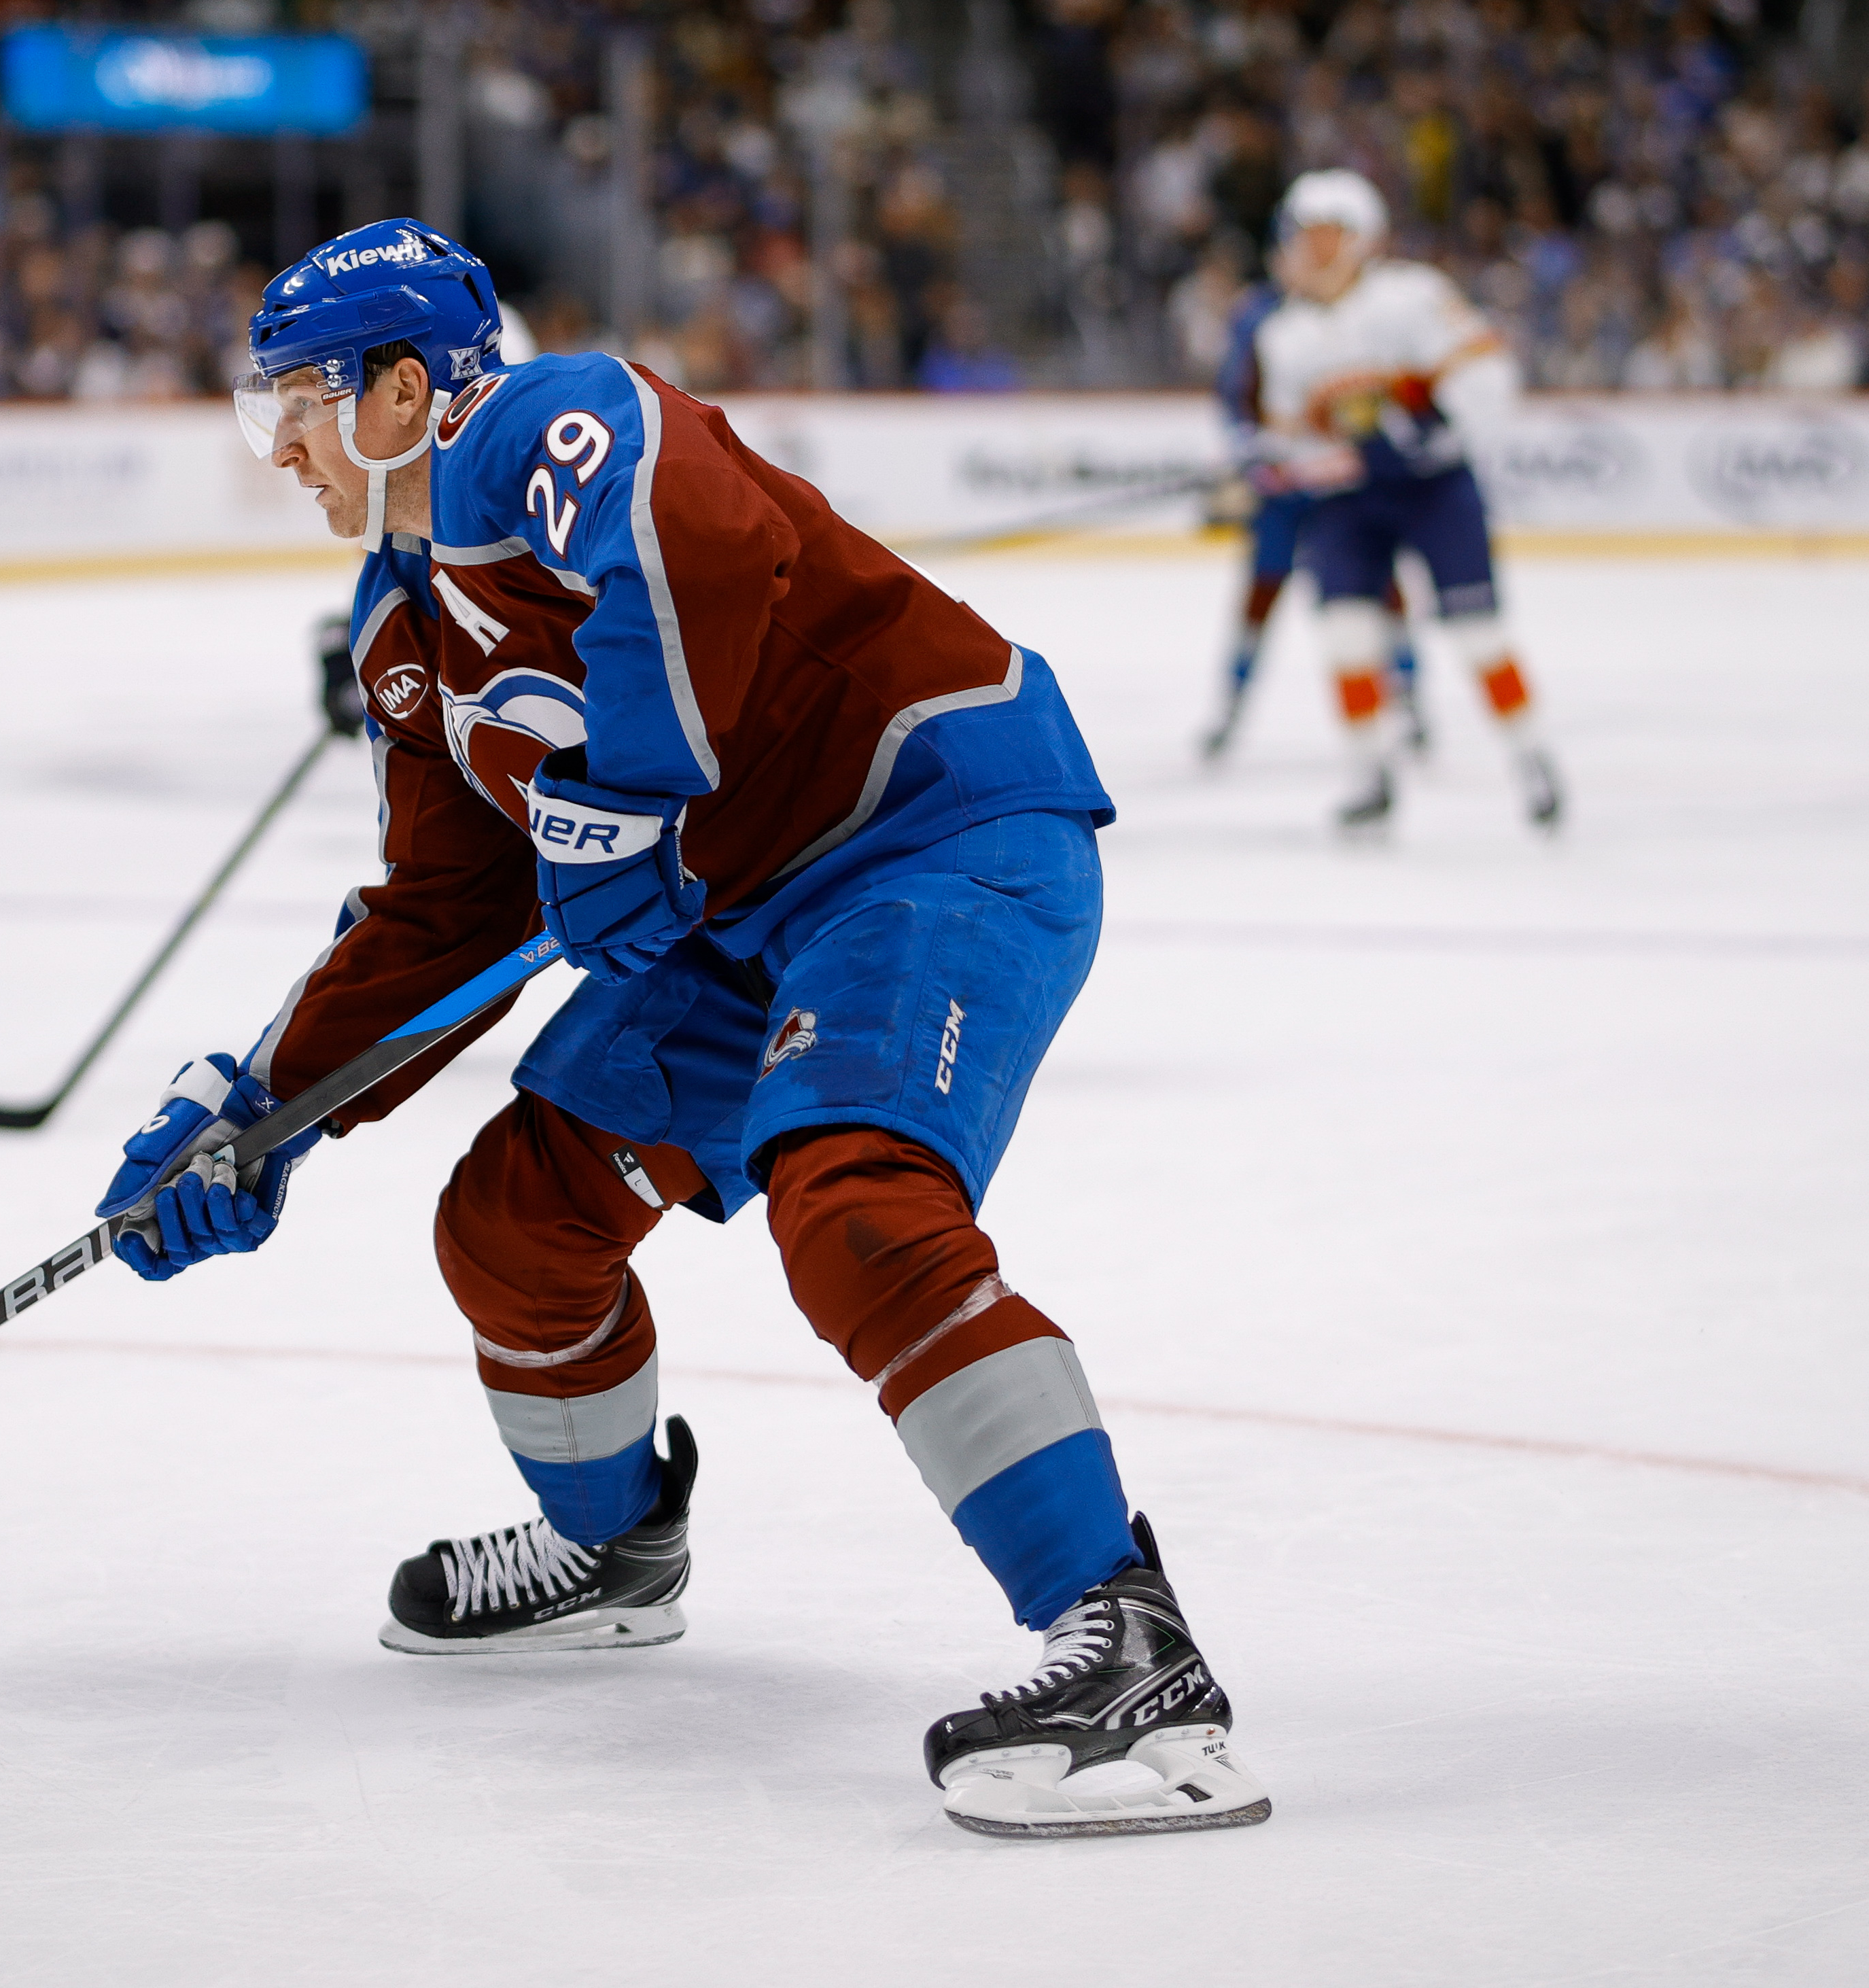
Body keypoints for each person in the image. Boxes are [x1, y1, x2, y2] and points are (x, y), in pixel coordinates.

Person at [92, 220, 1270, 1838]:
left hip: (928, 832)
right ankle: (615, 1545)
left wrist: (616, 806)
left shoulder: (542, 424)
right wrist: (261, 1107)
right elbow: (452, 912)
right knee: (515, 1217)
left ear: (406, 389)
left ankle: (1132, 1650)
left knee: (850, 1196)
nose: (278, 444)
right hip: (737, 911)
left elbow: (696, 549)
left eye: (295, 398)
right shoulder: (407, 628)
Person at [1251, 171, 1561, 829]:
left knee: (1479, 634)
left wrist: (1432, 435)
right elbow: (1291, 438)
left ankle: (1531, 758)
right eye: (1300, 234)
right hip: (1352, 500)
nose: (1306, 247)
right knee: (1345, 635)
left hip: (1434, 490)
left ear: (1357, 236)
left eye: (1320, 233)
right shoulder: (1284, 334)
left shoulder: (1412, 298)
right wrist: (1283, 467)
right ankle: (1370, 776)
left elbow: (1486, 375)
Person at [1202, 267, 1423, 763]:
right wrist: (1252, 448)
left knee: (1379, 587)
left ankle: (1408, 698)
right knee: (1261, 592)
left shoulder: (1365, 310)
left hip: (1340, 483)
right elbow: (1238, 396)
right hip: (1284, 489)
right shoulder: (1260, 316)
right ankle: (1230, 705)